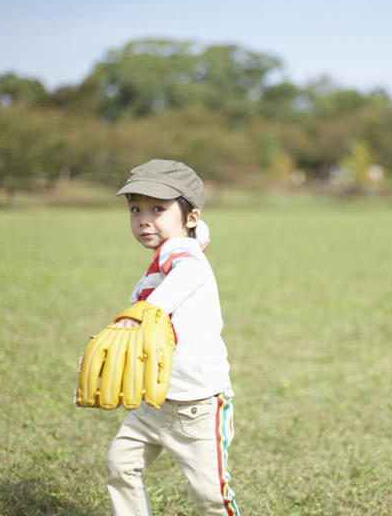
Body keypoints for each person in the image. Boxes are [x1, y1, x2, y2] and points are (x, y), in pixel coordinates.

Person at [104, 159, 239, 516]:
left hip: (197, 405)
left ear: (189, 217)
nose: (144, 218)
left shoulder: (181, 253)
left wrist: (143, 314)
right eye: (135, 208)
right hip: (155, 400)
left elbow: (188, 271)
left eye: (158, 208)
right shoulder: (169, 253)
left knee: (210, 497)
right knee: (120, 465)